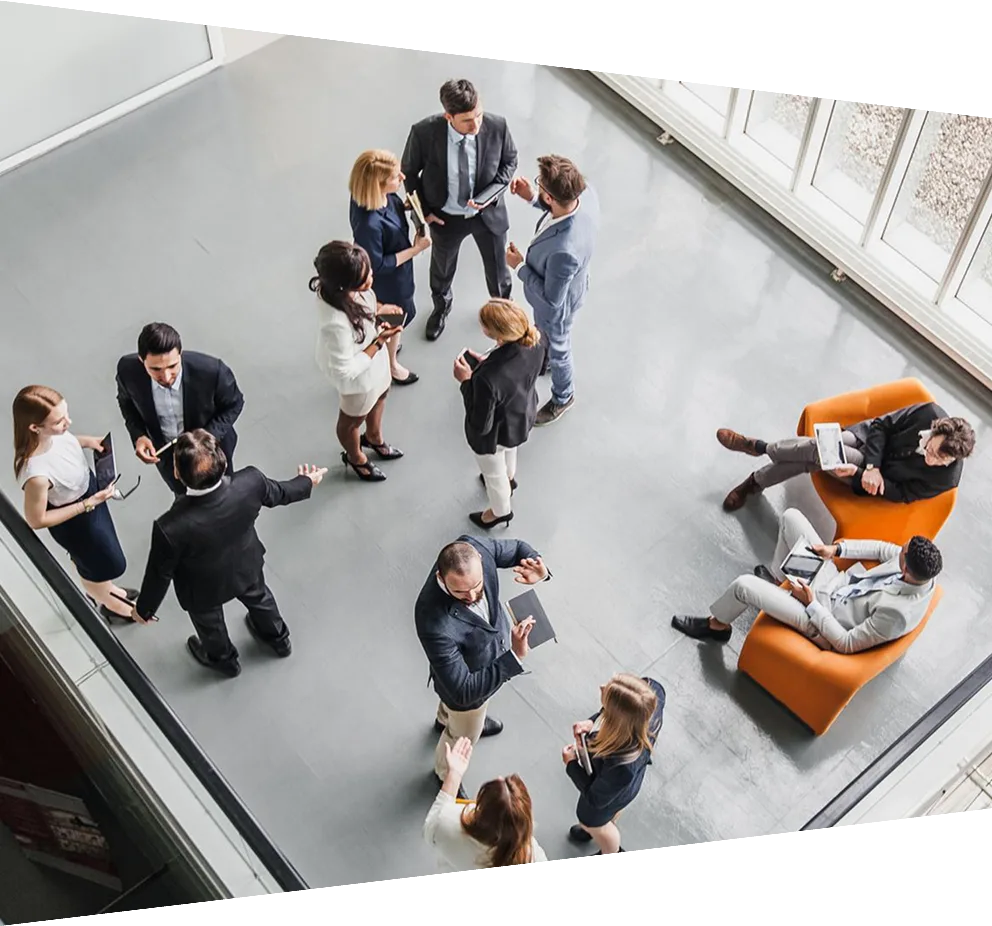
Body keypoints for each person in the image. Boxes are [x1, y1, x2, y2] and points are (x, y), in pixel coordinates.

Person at [131, 429, 326, 677]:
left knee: (209, 623)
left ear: (177, 473)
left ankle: (225, 660)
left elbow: (159, 575)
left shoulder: (169, 527)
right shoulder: (250, 482)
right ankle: (278, 638)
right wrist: (307, 481)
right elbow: (281, 493)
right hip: (245, 564)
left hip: (202, 587)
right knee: (261, 598)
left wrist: (144, 610)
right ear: (223, 463)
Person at [671, 507, 943, 655]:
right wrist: (835, 550)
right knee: (791, 518)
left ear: (906, 570)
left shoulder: (897, 614)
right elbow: (882, 549)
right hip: (835, 586)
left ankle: (717, 626)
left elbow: (846, 643)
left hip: (821, 622)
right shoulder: (918, 573)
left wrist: (811, 604)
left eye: (902, 553)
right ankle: (779, 580)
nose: (898, 551)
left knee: (743, 585)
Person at [415, 536, 551, 792]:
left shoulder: (477, 549)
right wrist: (515, 657)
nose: (473, 596)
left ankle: (444, 719)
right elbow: (464, 692)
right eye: (460, 592)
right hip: (468, 691)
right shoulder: (432, 622)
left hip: (474, 662)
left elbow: (519, 548)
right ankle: (445, 773)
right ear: (440, 579)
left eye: (477, 586)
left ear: (478, 558)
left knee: (451, 707)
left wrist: (539, 568)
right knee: (464, 734)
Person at [401, 78, 518, 341]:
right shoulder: (424, 133)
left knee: (499, 270)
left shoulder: (497, 125)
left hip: (488, 214)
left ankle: (505, 313)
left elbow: (510, 161)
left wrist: (491, 194)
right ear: (448, 116)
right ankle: (441, 307)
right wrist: (424, 215)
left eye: (478, 115)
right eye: (467, 120)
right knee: (441, 270)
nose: (476, 124)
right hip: (445, 218)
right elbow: (408, 172)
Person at [12, 386, 137, 623]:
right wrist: (88, 504)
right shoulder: (36, 475)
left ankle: (107, 591)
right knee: (104, 563)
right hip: (78, 519)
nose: (68, 422)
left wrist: (90, 442)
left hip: (88, 499)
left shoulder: (52, 435)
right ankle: (109, 603)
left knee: (95, 561)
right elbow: (36, 520)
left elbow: (66, 442)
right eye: (60, 421)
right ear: (34, 427)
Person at [717, 402, 975, 511]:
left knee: (817, 452)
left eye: (939, 460)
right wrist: (873, 463)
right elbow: (881, 426)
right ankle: (755, 479)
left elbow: (903, 494)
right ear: (935, 430)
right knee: (819, 451)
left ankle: (758, 450)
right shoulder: (928, 412)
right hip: (867, 440)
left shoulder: (947, 479)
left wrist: (864, 473)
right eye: (930, 449)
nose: (930, 459)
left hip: (866, 477)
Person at [506, 155, 599, 427]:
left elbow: (551, 299)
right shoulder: (586, 194)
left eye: (541, 186)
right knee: (546, 338)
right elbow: (559, 212)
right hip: (575, 284)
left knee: (560, 349)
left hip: (557, 306)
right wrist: (531, 197)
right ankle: (542, 357)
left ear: (550, 197)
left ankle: (563, 396)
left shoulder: (563, 251)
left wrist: (519, 265)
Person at [311, 241, 405, 483]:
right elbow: (346, 370)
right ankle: (356, 457)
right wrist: (378, 342)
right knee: (351, 421)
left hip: (374, 358)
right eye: (365, 277)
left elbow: (362, 309)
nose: (372, 278)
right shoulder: (335, 323)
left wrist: (380, 310)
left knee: (383, 393)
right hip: (360, 379)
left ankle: (373, 437)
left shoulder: (342, 291)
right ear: (345, 284)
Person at [116, 323, 245, 496]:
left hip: (211, 452)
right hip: (168, 456)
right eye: (155, 369)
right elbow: (126, 403)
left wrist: (205, 440)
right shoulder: (127, 371)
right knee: (183, 501)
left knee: (223, 497)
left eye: (172, 366)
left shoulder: (212, 371)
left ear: (180, 354)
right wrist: (139, 435)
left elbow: (234, 404)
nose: (166, 377)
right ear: (141, 361)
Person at [453, 299, 546, 529]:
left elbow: (480, 425)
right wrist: (489, 363)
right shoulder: (537, 339)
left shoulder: (487, 379)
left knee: (493, 475)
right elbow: (537, 369)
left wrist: (466, 382)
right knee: (509, 452)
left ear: (496, 334)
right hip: (521, 417)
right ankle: (510, 478)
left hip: (495, 434)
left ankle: (500, 511)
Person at [349, 149, 432, 386]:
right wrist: (416, 250)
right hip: (391, 282)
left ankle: (390, 345)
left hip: (400, 275)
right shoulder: (369, 224)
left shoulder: (373, 197)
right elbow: (378, 264)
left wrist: (405, 208)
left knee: (395, 319)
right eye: (396, 177)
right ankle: (391, 365)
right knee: (394, 317)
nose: (403, 178)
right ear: (378, 185)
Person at [564, 674, 665, 856]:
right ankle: (594, 828)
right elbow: (622, 707)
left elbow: (596, 798)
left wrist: (571, 764)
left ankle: (611, 850)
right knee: (605, 815)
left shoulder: (621, 766)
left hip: (610, 792)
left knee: (594, 821)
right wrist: (593, 720)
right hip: (617, 785)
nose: (602, 686)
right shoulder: (651, 694)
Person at [423, 736, 548, 871]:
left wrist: (454, 773)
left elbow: (430, 829)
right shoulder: (530, 856)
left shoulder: (447, 823)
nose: (500, 777)